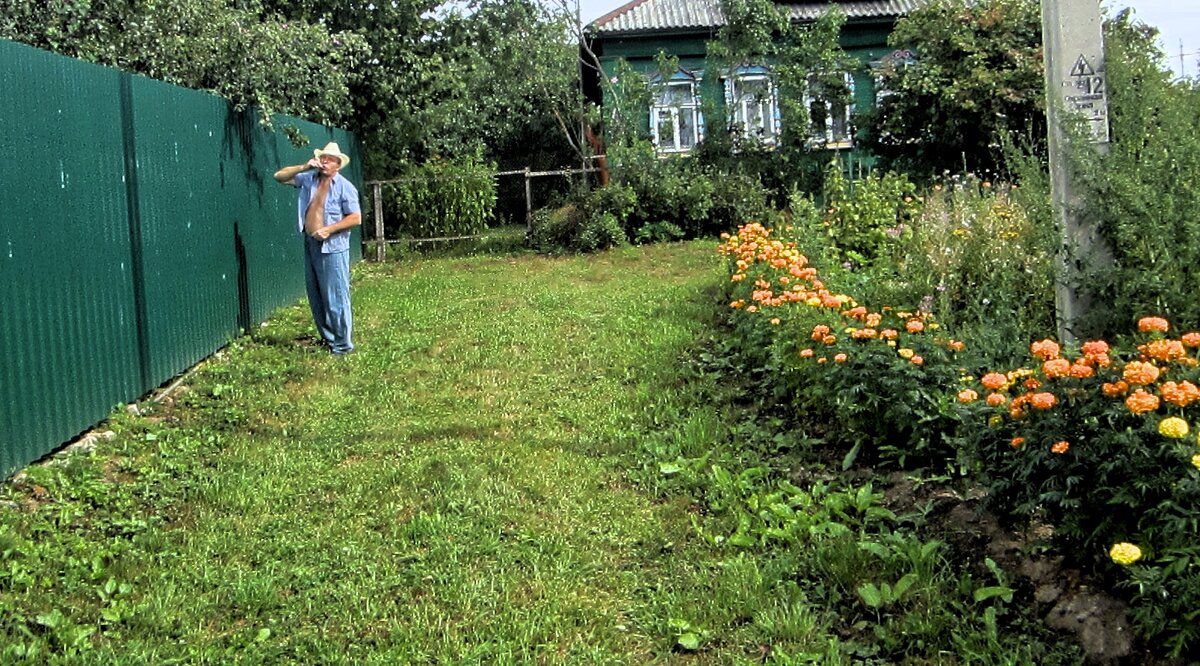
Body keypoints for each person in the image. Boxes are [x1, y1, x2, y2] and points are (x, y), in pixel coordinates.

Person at [273, 142, 361, 356]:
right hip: (311, 243)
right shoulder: (308, 179)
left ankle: (343, 346)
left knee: (336, 296)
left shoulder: (345, 187)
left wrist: (330, 229)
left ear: (338, 165)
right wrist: (304, 166)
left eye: (330, 159)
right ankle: (329, 339)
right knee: (316, 295)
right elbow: (279, 176)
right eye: (323, 157)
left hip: (333, 248)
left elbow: (355, 218)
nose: (325, 161)